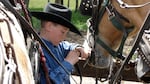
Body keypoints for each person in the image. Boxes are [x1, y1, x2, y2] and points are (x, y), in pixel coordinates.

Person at [31, 3, 90, 84]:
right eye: (63, 32)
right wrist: (68, 63)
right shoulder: (36, 51)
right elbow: (48, 81)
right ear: (49, 26)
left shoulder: (59, 45)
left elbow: (68, 46)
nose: (64, 38)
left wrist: (79, 48)